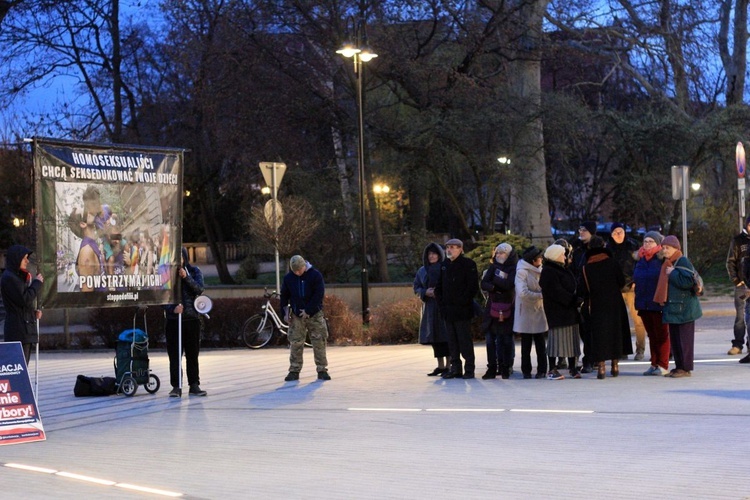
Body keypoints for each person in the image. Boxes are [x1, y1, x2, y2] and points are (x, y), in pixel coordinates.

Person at [581, 236, 632, 379]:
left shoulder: (586, 267)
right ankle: (615, 365)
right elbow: (621, 282)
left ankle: (601, 368)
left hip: (596, 304)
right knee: (615, 331)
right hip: (615, 302)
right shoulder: (612, 262)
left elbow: (584, 289)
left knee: (599, 334)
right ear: (603, 246)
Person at [656, 235, 702, 378]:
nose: (665, 250)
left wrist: (673, 274)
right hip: (675, 308)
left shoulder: (682, 261)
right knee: (676, 340)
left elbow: (687, 282)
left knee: (685, 341)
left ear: (676, 248)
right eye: (663, 248)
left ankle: (685, 368)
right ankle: (678, 366)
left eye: (667, 248)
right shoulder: (669, 262)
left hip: (685, 309)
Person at [164, 248, 207, 397]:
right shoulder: (166, 274)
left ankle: (194, 384)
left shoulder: (194, 271)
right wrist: (172, 309)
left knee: (192, 353)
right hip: (174, 321)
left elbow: (199, 289)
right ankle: (176, 385)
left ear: (184, 258)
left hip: (191, 319)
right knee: (175, 355)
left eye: (180, 257)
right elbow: (161, 296)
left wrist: (186, 277)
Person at [280, 255, 330, 381]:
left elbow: (319, 294)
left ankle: (322, 369)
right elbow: (284, 296)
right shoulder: (289, 278)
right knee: (296, 342)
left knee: (319, 341)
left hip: (315, 314)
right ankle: (294, 370)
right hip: (297, 315)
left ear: (304, 266)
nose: (297, 273)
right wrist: (285, 312)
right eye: (294, 271)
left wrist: (308, 310)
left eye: (299, 270)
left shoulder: (315, 275)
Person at [435, 238, 479, 379]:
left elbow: (472, 287)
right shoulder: (444, 265)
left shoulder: (468, 264)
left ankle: (469, 369)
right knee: (452, 342)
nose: (449, 250)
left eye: (453, 247)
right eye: (448, 247)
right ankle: (455, 368)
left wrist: (461, 302)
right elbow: (439, 287)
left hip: (462, 310)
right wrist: (441, 303)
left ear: (460, 249)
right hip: (448, 311)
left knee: (464, 340)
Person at [540, 244, 582, 380]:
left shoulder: (563, 269)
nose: (565, 257)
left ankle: (572, 366)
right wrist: (573, 300)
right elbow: (556, 291)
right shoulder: (549, 271)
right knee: (556, 340)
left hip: (569, 310)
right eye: (562, 254)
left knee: (571, 339)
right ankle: (552, 369)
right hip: (557, 310)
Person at [633, 231, 671, 376]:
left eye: (651, 241)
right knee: (652, 335)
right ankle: (654, 363)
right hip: (643, 302)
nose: (647, 244)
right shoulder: (640, 259)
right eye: (645, 241)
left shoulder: (662, 259)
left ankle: (662, 364)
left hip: (658, 302)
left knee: (662, 334)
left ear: (658, 244)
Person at [607, 222, 646, 360]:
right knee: (618, 321)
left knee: (638, 320)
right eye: (615, 232)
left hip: (632, 287)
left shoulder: (633, 246)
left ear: (624, 232)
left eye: (620, 232)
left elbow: (640, 264)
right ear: (611, 234)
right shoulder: (608, 248)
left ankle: (640, 350)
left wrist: (637, 280)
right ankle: (621, 350)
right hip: (615, 289)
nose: (618, 235)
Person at [479, 243, 518, 379]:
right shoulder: (493, 267)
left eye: (502, 253)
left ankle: (505, 367)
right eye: (497, 253)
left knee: (505, 340)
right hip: (492, 307)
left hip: (507, 307)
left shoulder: (513, 268)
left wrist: (494, 282)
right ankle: (491, 367)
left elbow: (509, 285)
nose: (499, 255)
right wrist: (495, 287)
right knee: (490, 339)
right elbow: (484, 283)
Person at [1, 245, 43, 364]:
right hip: (18, 330)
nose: (27, 261)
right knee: (19, 367)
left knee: (22, 367)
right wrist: (36, 284)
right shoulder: (10, 278)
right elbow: (24, 299)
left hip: (24, 328)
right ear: (16, 259)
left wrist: (33, 313)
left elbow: (20, 303)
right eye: (24, 258)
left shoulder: (16, 277)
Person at [414, 243, 449, 376]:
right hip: (430, 307)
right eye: (429, 254)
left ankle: (449, 365)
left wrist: (439, 292)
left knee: (445, 335)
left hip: (443, 306)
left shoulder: (445, 268)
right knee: (434, 336)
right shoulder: (422, 270)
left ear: (439, 255)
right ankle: (440, 366)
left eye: (434, 253)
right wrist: (425, 292)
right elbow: (416, 286)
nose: (432, 256)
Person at [514, 246, 548, 379]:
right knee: (526, 343)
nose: (541, 260)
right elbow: (522, 292)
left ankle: (542, 370)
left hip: (538, 310)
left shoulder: (542, 270)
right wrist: (540, 295)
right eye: (540, 258)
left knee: (540, 343)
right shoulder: (522, 271)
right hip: (526, 311)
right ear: (533, 260)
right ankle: (526, 371)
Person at [570, 221, 597, 373]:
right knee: (583, 329)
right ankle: (588, 358)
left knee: (590, 329)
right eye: (580, 229)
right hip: (578, 292)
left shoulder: (595, 249)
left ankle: (590, 359)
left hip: (592, 294)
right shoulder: (577, 249)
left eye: (584, 230)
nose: (581, 232)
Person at [726, 217, 750, 358]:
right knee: (740, 316)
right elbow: (730, 262)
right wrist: (736, 280)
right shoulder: (738, 241)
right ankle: (737, 344)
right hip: (742, 285)